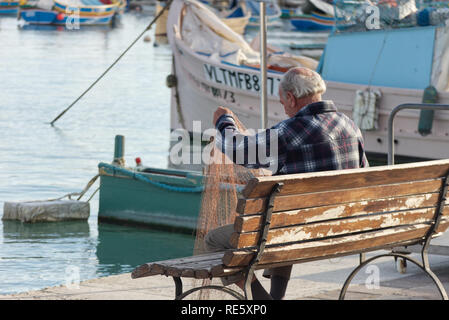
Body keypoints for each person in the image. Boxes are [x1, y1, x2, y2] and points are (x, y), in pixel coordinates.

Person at [205, 67, 369, 300]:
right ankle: (277, 297)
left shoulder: (290, 131)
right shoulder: (350, 126)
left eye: (282, 103)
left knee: (215, 240)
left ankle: (264, 300)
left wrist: (224, 120)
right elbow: (365, 174)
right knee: (283, 221)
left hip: (297, 232)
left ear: (291, 98)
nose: (283, 108)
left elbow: (238, 150)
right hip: (343, 228)